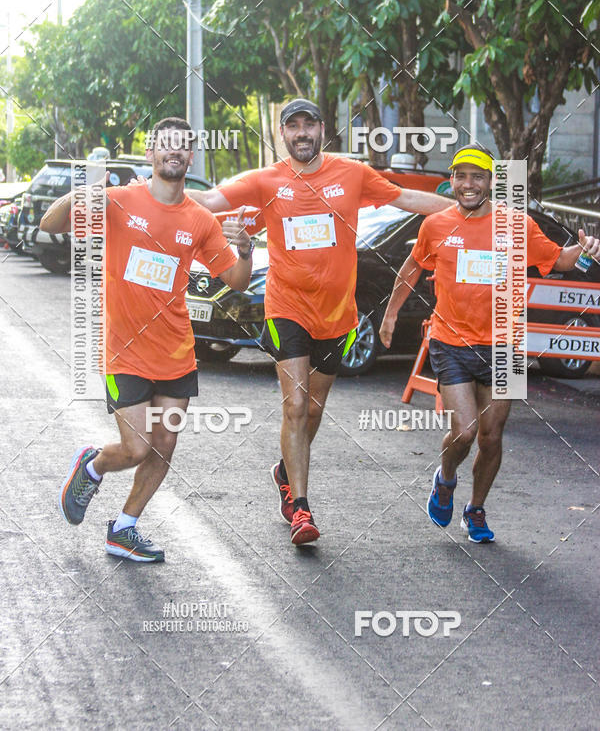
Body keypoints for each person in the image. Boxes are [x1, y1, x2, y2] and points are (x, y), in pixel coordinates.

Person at [185, 98, 449, 546]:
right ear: (282, 134)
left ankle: (285, 471)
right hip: (286, 307)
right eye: (293, 126)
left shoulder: (352, 174)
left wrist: (465, 208)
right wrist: (152, 189)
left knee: (313, 409)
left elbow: (405, 198)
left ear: (322, 129)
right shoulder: (266, 179)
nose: (302, 133)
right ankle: (300, 509)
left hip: (338, 316)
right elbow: (209, 199)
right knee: (294, 405)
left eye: (309, 124)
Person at [41, 118, 252, 562]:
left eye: (182, 146)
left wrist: (246, 251)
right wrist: (82, 194)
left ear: (191, 156)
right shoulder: (119, 201)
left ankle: (124, 528)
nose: (174, 152)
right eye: (165, 145)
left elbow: (234, 279)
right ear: (152, 152)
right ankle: (93, 466)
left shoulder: (199, 219)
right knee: (136, 447)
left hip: (176, 353)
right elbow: (52, 223)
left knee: (165, 445)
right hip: (124, 351)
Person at [379, 144, 600, 542]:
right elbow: (412, 267)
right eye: (461, 176)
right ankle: (445, 479)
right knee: (464, 432)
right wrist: (391, 314)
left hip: (506, 346)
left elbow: (560, 261)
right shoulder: (436, 225)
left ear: (491, 183)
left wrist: (585, 252)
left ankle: (475, 509)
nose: (468, 184)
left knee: (491, 436)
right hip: (452, 342)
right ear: (451, 181)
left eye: (477, 176)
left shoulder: (517, 226)